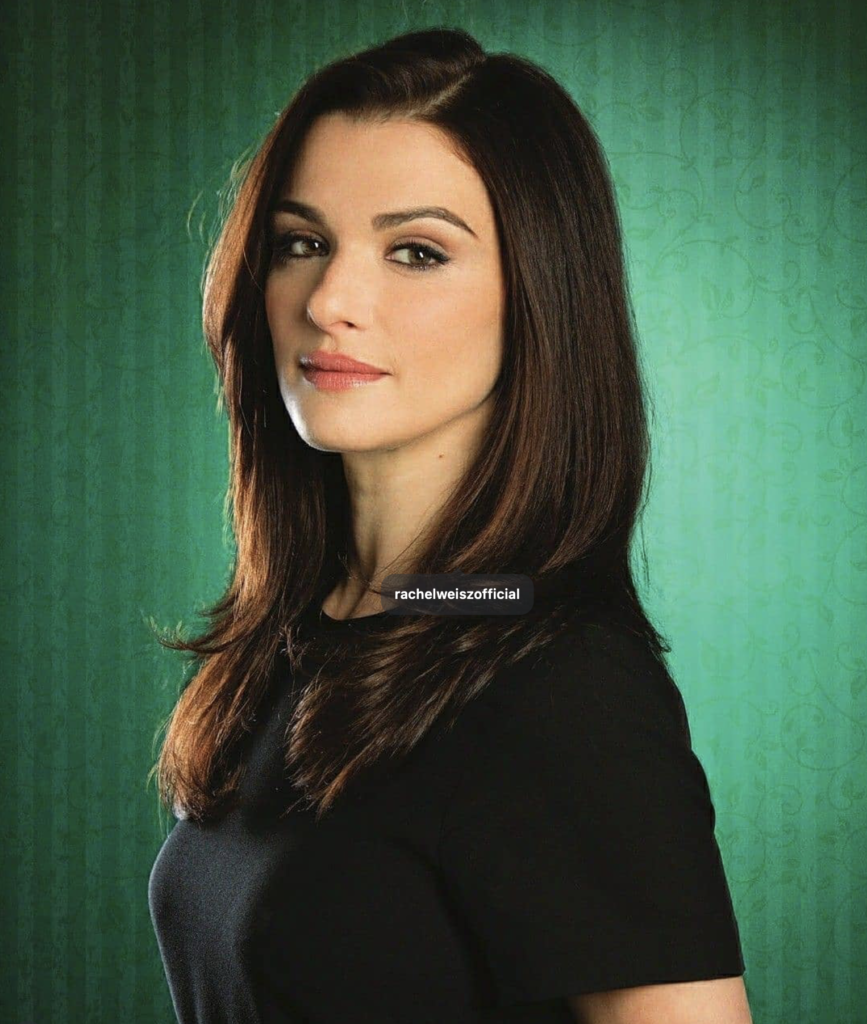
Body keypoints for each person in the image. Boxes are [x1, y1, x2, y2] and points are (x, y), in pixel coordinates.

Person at [147, 27, 753, 1024]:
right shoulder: (325, 631)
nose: (332, 300)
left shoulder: (563, 688)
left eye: (417, 252)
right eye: (303, 242)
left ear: (539, 300)